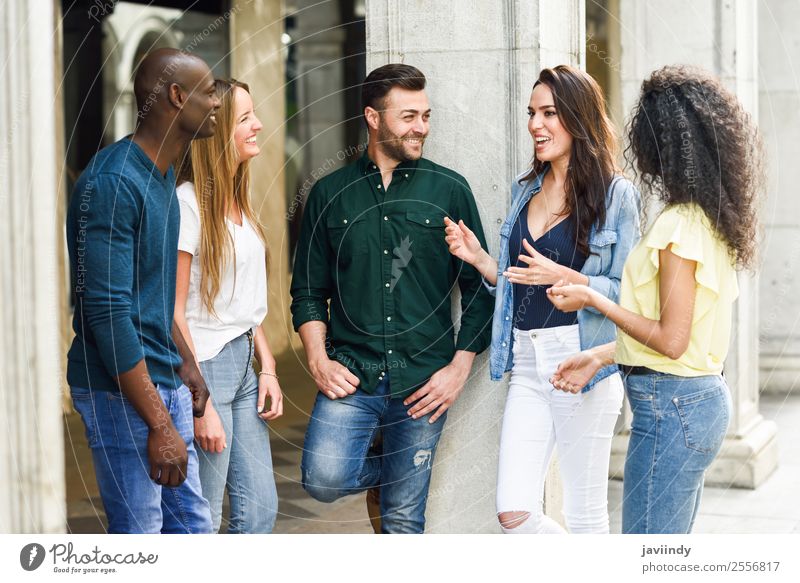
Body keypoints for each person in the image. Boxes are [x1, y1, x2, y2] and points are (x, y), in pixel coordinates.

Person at [548, 65, 763, 534]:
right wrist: (603, 356)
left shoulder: (678, 227)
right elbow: (679, 333)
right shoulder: (706, 220)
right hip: (690, 401)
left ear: (658, 144)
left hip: (673, 408)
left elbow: (671, 341)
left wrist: (592, 297)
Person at [290, 63, 494, 534]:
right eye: (408, 116)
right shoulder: (328, 195)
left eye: (425, 115)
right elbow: (307, 290)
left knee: (404, 518)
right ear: (373, 117)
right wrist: (318, 359)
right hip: (352, 375)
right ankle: (400, 468)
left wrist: (458, 369)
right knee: (322, 478)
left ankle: (405, 478)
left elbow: (480, 286)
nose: (420, 127)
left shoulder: (449, 189)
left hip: (423, 382)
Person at [445, 65, 641, 534]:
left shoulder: (617, 195)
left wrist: (572, 278)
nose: (536, 124)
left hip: (581, 359)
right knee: (513, 513)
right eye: (532, 112)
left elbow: (632, 297)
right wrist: (481, 261)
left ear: (578, 117)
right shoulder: (524, 189)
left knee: (585, 513)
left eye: (549, 112)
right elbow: (522, 282)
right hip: (526, 363)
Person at [66, 48, 220, 533]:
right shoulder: (115, 183)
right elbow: (108, 314)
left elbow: (149, 290)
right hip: (121, 394)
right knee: (141, 539)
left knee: (193, 529)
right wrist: (158, 423)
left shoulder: (163, 175)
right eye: (209, 91)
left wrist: (186, 363)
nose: (218, 102)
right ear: (176, 97)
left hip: (163, 381)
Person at [175, 79, 283, 533]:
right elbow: (172, 313)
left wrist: (269, 366)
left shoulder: (238, 201)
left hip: (242, 365)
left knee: (259, 510)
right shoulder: (187, 205)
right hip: (207, 369)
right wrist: (201, 405)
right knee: (202, 517)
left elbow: (242, 305)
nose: (258, 124)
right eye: (245, 119)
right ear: (218, 134)